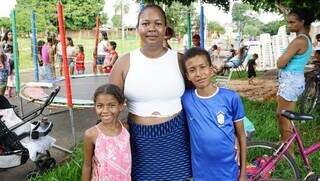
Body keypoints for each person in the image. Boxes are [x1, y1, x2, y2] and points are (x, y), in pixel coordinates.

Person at [109, 4, 192, 180]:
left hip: (176, 139)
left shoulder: (179, 60)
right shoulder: (124, 63)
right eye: (146, 23)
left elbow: (199, 97)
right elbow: (109, 105)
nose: (152, 28)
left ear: (165, 27)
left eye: (158, 23)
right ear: (138, 27)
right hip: (137, 141)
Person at [182, 47, 246, 181]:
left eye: (202, 67)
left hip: (228, 169)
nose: (198, 74)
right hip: (202, 171)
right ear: (187, 76)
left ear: (211, 70)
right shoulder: (185, 99)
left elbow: (241, 135)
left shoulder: (231, 98)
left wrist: (243, 172)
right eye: (192, 70)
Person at [276, 8, 315, 155]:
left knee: (284, 117)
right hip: (294, 79)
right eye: (287, 22)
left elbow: (280, 63)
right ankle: (285, 145)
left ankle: (288, 152)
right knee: (283, 115)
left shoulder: (299, 41)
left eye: (292, 22)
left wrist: (280, 60)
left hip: (290, 81)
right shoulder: (306, 39)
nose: (288, 25)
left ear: (302, 22)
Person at [82, 84, 131, 181]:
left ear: (121, 106)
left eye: (111, 105)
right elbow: (87, 166)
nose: (105, 111)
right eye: (100, 106)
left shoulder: (126, 129)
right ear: (95, 107)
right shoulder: (91, 134)